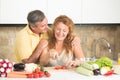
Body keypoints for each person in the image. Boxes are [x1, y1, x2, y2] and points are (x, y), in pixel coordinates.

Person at [14, 10, 80, 63]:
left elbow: (61, 33)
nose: (47, 27)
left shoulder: (46, 30)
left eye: (46, 24)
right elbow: (27, 63)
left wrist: (75, 38)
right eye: (43, 26)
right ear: (33, 27)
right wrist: (40, 48)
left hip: (43, 71)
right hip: (27, 71)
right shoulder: (23, 37)